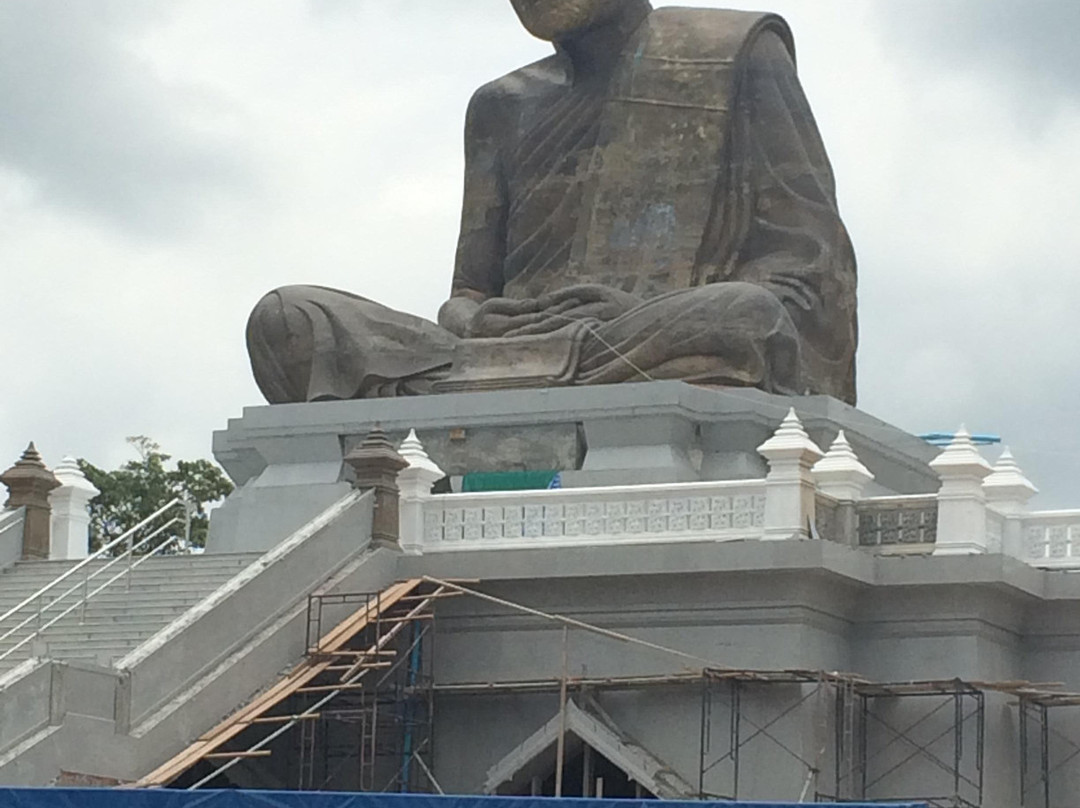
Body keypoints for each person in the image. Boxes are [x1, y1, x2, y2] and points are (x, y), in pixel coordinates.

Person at [247, 0, 857, 405]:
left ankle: (520, 382)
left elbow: (807, 269)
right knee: (289, 318)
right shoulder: (501, 106)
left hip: (641, 336)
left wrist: (640, 308)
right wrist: (476, 320)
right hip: (503, 350)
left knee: (743, 313)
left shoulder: (730, 53)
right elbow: (467, 294)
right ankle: (518, 380)